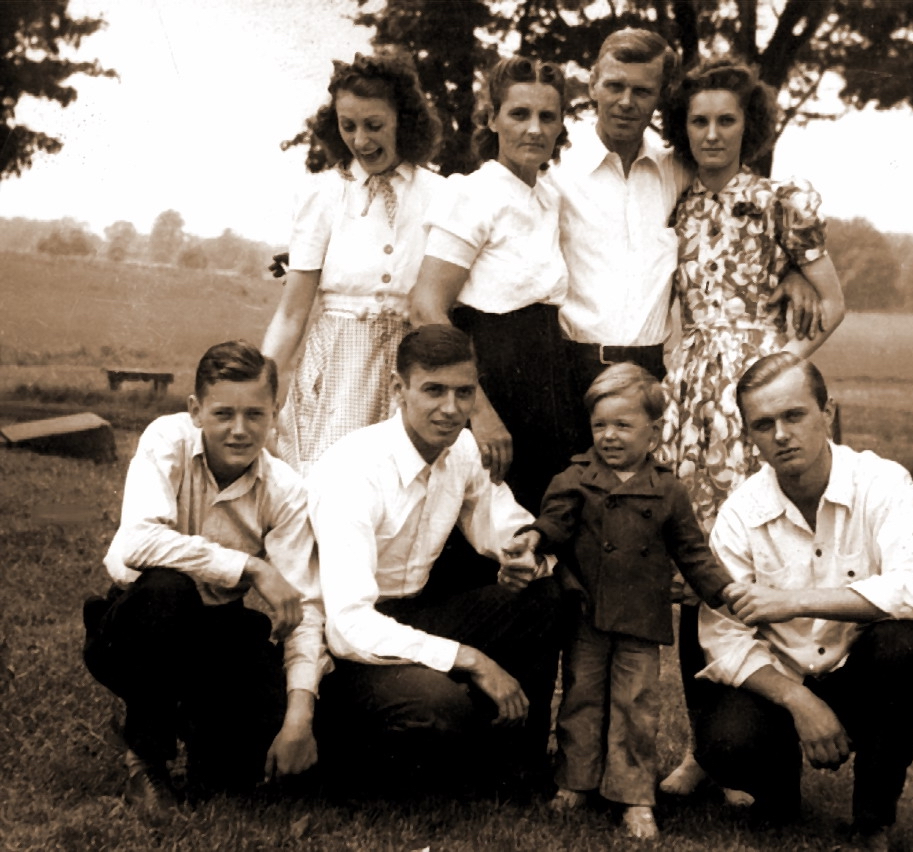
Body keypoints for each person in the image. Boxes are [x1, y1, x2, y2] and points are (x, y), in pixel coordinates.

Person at [658, 58, 846, 795]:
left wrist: (777, 366)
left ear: (749, 128)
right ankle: (702, 748)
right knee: (693, 570)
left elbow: (831, 304)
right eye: (699, 120)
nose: (711, 134)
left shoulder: (779, 202)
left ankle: (750, 745)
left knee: (755, 564)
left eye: (726, 121)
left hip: (752, 398)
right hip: (688, 398)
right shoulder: (674, 201)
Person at [693, 352, 913, 851]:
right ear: (749, 436)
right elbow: (722, 639)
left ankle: (872, 820)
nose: (781, 435)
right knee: (725, 744)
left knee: (904, 648)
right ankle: (777, 798)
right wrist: (798, 700)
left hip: (859, 674)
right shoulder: (740, 514)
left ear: (828, 413)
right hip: (782, 684)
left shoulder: (883, 483)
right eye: (763, 424)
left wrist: (793, 601)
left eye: (794, 415)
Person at [305, 325, 562, 791]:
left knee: (542, 596)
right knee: (440, 710)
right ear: (398, 388)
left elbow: (497, 517)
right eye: (433, 391)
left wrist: (525, 545)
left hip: (416, 612)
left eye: (464, 392)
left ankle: (515, 764)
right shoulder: (354, 470)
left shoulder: (460, 447)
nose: (450, 408)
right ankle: (341, 750)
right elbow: (347, 628)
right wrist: (471, 659)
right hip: (346, 645)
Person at [82, 341, 327, 823]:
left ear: (274, 414)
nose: (239, 429)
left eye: (255, 414)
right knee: (169, 590)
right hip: (136, 620)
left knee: (237, 775)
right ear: (196, 411)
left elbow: (305, 607)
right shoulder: (166, 439)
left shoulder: (286, 490)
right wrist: (252, 567)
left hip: (216, 628)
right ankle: (146, 758)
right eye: (223, 413)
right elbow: (138, 542)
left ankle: (188, 721)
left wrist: (299, 716)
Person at [548, 29, 824, 454]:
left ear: (659, 97)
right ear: (592, 85)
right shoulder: (553, 170)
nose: (626, 101)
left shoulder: (675, 169)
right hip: (574, 368)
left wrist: (792, 270)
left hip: (654, 375)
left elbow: (740, 218)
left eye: (642, 90)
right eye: (615, 86)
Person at [507, 363, 729, 839]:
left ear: (654, 431)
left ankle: (633, 796)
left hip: (641, 620)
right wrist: (531, 538)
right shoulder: (575, 478)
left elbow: (693, 551)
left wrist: (724, 590)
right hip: (586, 613)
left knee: (636, 706)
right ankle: (575, 783)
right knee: (582, 699)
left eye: (623, 426)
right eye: (600, 425)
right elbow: (553, 525)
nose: (609, 436)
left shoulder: (667, 488)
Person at [262, 50, 444, 474]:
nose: (361, 140)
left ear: (404, 118)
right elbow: (291, 314)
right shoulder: (323, 196)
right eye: (349, 126)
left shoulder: (440, 194)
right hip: (337, 370)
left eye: (374, 125)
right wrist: (259, 391)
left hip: (411, 365)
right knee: (328, 482)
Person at [409, 55, 574, 514]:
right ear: (492, 118)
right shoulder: (471, 193)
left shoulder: (549, 197)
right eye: (519, 114)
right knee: (485, 527)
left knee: (541, 525)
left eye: (548, 116)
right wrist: (475, 410)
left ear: (561, 124)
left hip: (547, 385)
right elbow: (426, 309)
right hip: (491, 382)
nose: (534, 129)